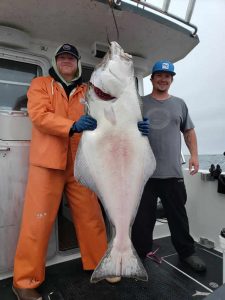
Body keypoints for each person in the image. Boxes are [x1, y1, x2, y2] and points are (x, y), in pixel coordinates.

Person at [12, 43, 149, 300]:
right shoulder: (41, 85)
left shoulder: (88, 90)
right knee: (37, 222)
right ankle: (24, 282)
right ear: (55, 61)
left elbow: (109, 118)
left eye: (71, 58)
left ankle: (99, 262)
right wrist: (71, 125)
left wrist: (135, 125)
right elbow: (39, 115)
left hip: (81, 161)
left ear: (76, 64)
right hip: (47, 163)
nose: (66, 61)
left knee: (91, 217)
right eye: (62, 57)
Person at [132, 60, 206, 273]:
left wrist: (194, 156)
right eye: (159, 76)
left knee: (178, 216)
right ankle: (139, 255)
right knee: (142, 220)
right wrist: (133, 126)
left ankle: (187, 253)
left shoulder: (180, 104)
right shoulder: (139, 102)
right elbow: (125, 129)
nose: (163, 79)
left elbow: (189, 132)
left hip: (172, 172)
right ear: (152, 78)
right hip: (144, 173)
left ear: (171, 80)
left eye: (168, 76)